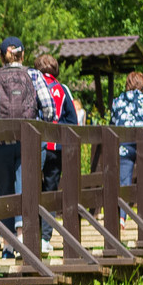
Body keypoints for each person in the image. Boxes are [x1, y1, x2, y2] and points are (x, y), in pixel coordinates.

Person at [0, 37, 48, 197]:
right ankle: (23, 215)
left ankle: (8, 214)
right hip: (28, 140)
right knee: (25, 193)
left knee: (5, 194)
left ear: (1, 57)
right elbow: (49, 109)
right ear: (22, 55)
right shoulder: (34, 75)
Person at [36, 50, 81, 195]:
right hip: (56, 146)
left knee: (32, 184)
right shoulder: (62, 88)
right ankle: (48, 210)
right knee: (51, 186)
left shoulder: (32, 85)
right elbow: (72, 120)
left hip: (35, 143)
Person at [110, 69, 143, 185]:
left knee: (123, 184)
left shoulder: (117, 101)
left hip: (123, 145)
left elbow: (112, 124)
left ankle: (125, 196)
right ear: (142, 85)